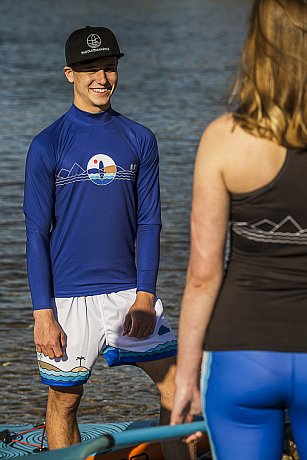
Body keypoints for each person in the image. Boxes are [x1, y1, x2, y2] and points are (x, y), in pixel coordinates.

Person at [23, 25, 194, 459]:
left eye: (110, 67)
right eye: (90, 68)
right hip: (67, 298)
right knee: (64, 400)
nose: (102, 77)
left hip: (126, 293)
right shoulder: (47, 145)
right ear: (69, 74)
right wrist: (43, 313)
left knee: (175, 383)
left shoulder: (139, 139)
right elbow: (36, 234)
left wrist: (145, 295)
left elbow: (151, 223)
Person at [170, 0, 307, 459]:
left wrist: (186, 379)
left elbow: (202, 275)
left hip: (241, 359)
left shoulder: (223, 139)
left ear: (258, 46)